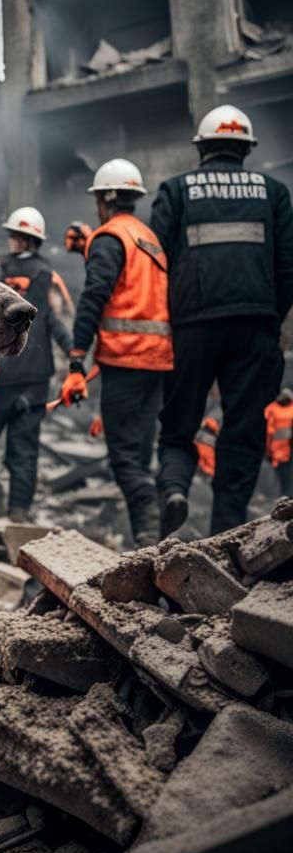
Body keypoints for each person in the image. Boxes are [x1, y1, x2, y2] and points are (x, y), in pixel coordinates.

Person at [153, 104, 293, 536]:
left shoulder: (176, 190)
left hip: (193, 326)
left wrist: (171, 324)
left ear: (202, 148)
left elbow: (157, 263)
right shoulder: (273, 192)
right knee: (244, 432)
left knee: (179, 424)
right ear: (246, 148)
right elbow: (288, 266)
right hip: (255, 326)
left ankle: (175, 488)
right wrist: (270, 319)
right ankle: (226, 534)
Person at [60, 159, 172, 548]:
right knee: (140, 452)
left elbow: (96, 295)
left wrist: (76, 359)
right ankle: (158, 532)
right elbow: (132, 290)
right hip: (157, 362)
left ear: (105, 199)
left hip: (125, 362)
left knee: (124, 458)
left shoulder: (109, 238)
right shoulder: (149, 238)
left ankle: (147, 537)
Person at [0, 207, 71, 521]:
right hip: (26, 378)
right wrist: (75, 355)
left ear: (30, 239)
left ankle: (11, 510)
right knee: (20, 450)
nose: (12, 240)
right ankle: (12, 508)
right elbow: (56, 321)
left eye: (17, 236)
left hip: (4, 377)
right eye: (12, 234)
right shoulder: (47, 273)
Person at [265, 389, 293, 497]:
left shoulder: (272, 409)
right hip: (280, 453)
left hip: (281, 453)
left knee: (284, 479)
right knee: (283, 479)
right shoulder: (273, 410)